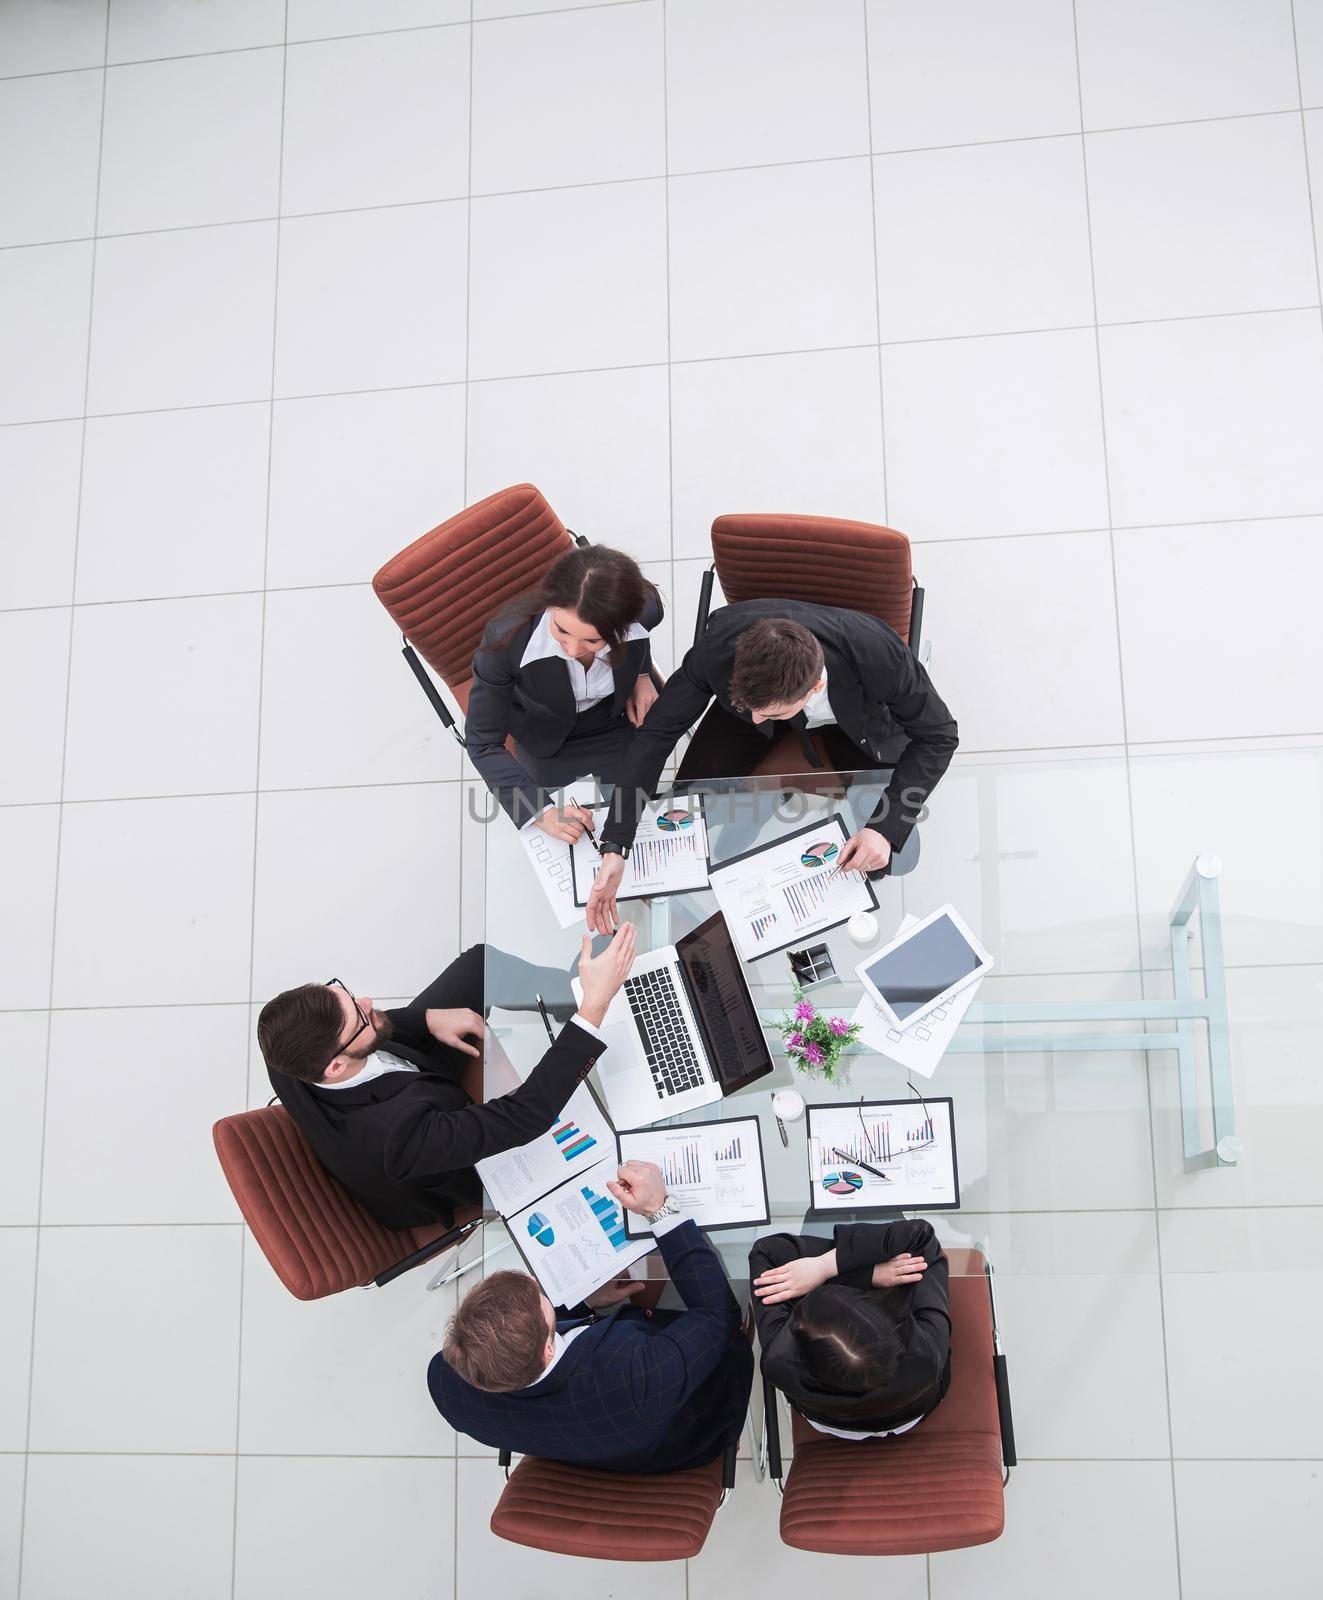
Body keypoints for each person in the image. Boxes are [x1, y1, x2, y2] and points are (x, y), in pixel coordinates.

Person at [585, 600, 958, 932]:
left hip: (859, 730)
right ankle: (750, 815)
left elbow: (940, 735)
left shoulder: (878, 654)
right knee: (685, 813)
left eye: (771, 712)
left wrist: (884, 831)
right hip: (740, 719)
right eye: (754, 709)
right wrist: (616, 842)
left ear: (813, 688)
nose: (760, 719)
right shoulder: (719, 649)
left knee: (884, 859)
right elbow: (656, 736)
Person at [255, 926, 637, 1231]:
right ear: (335, 1067)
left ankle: (571, 995)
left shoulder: (284, 1041)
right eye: (361, 1017)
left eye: (351, 997)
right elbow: (525, 1116)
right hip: (454, 1168)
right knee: (569, 1116)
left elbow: (362, 1025)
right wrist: (594, 1009)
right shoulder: (397, 1140)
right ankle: (593, 1001)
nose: (370, 1003)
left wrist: (424, 1019)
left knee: (479, 967)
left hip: (411, 1081)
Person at [427, 1159, 753, 1473]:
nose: (542, 1289)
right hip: (688, 1422)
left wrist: (585, 1305)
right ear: (548, 1348)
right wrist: (660, 1210)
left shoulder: (448, 1383)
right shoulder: (632, 1373)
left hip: (591, 1436)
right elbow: (717, 1316)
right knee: (706, 1248)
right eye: (543, 1297)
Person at [465, 543, 664, 844]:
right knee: (572, 839)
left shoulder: (646, 608)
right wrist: (539, 811)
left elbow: (639, 636)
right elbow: (482, 743)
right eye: (561, 630)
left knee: (630, 825)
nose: (571, 651)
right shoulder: (505, 642)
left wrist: (641, 673)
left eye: (592, 640)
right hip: (545, 736)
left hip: (612, 720)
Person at [749, 1217, 950, 1438]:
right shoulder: (926, 1357)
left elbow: (766, 1251)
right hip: (909, 1412)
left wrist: (828, 1270)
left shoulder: (779, 1361)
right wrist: (855, 1272)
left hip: (827, 1420)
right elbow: (922, 1238)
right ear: (881, 1321)